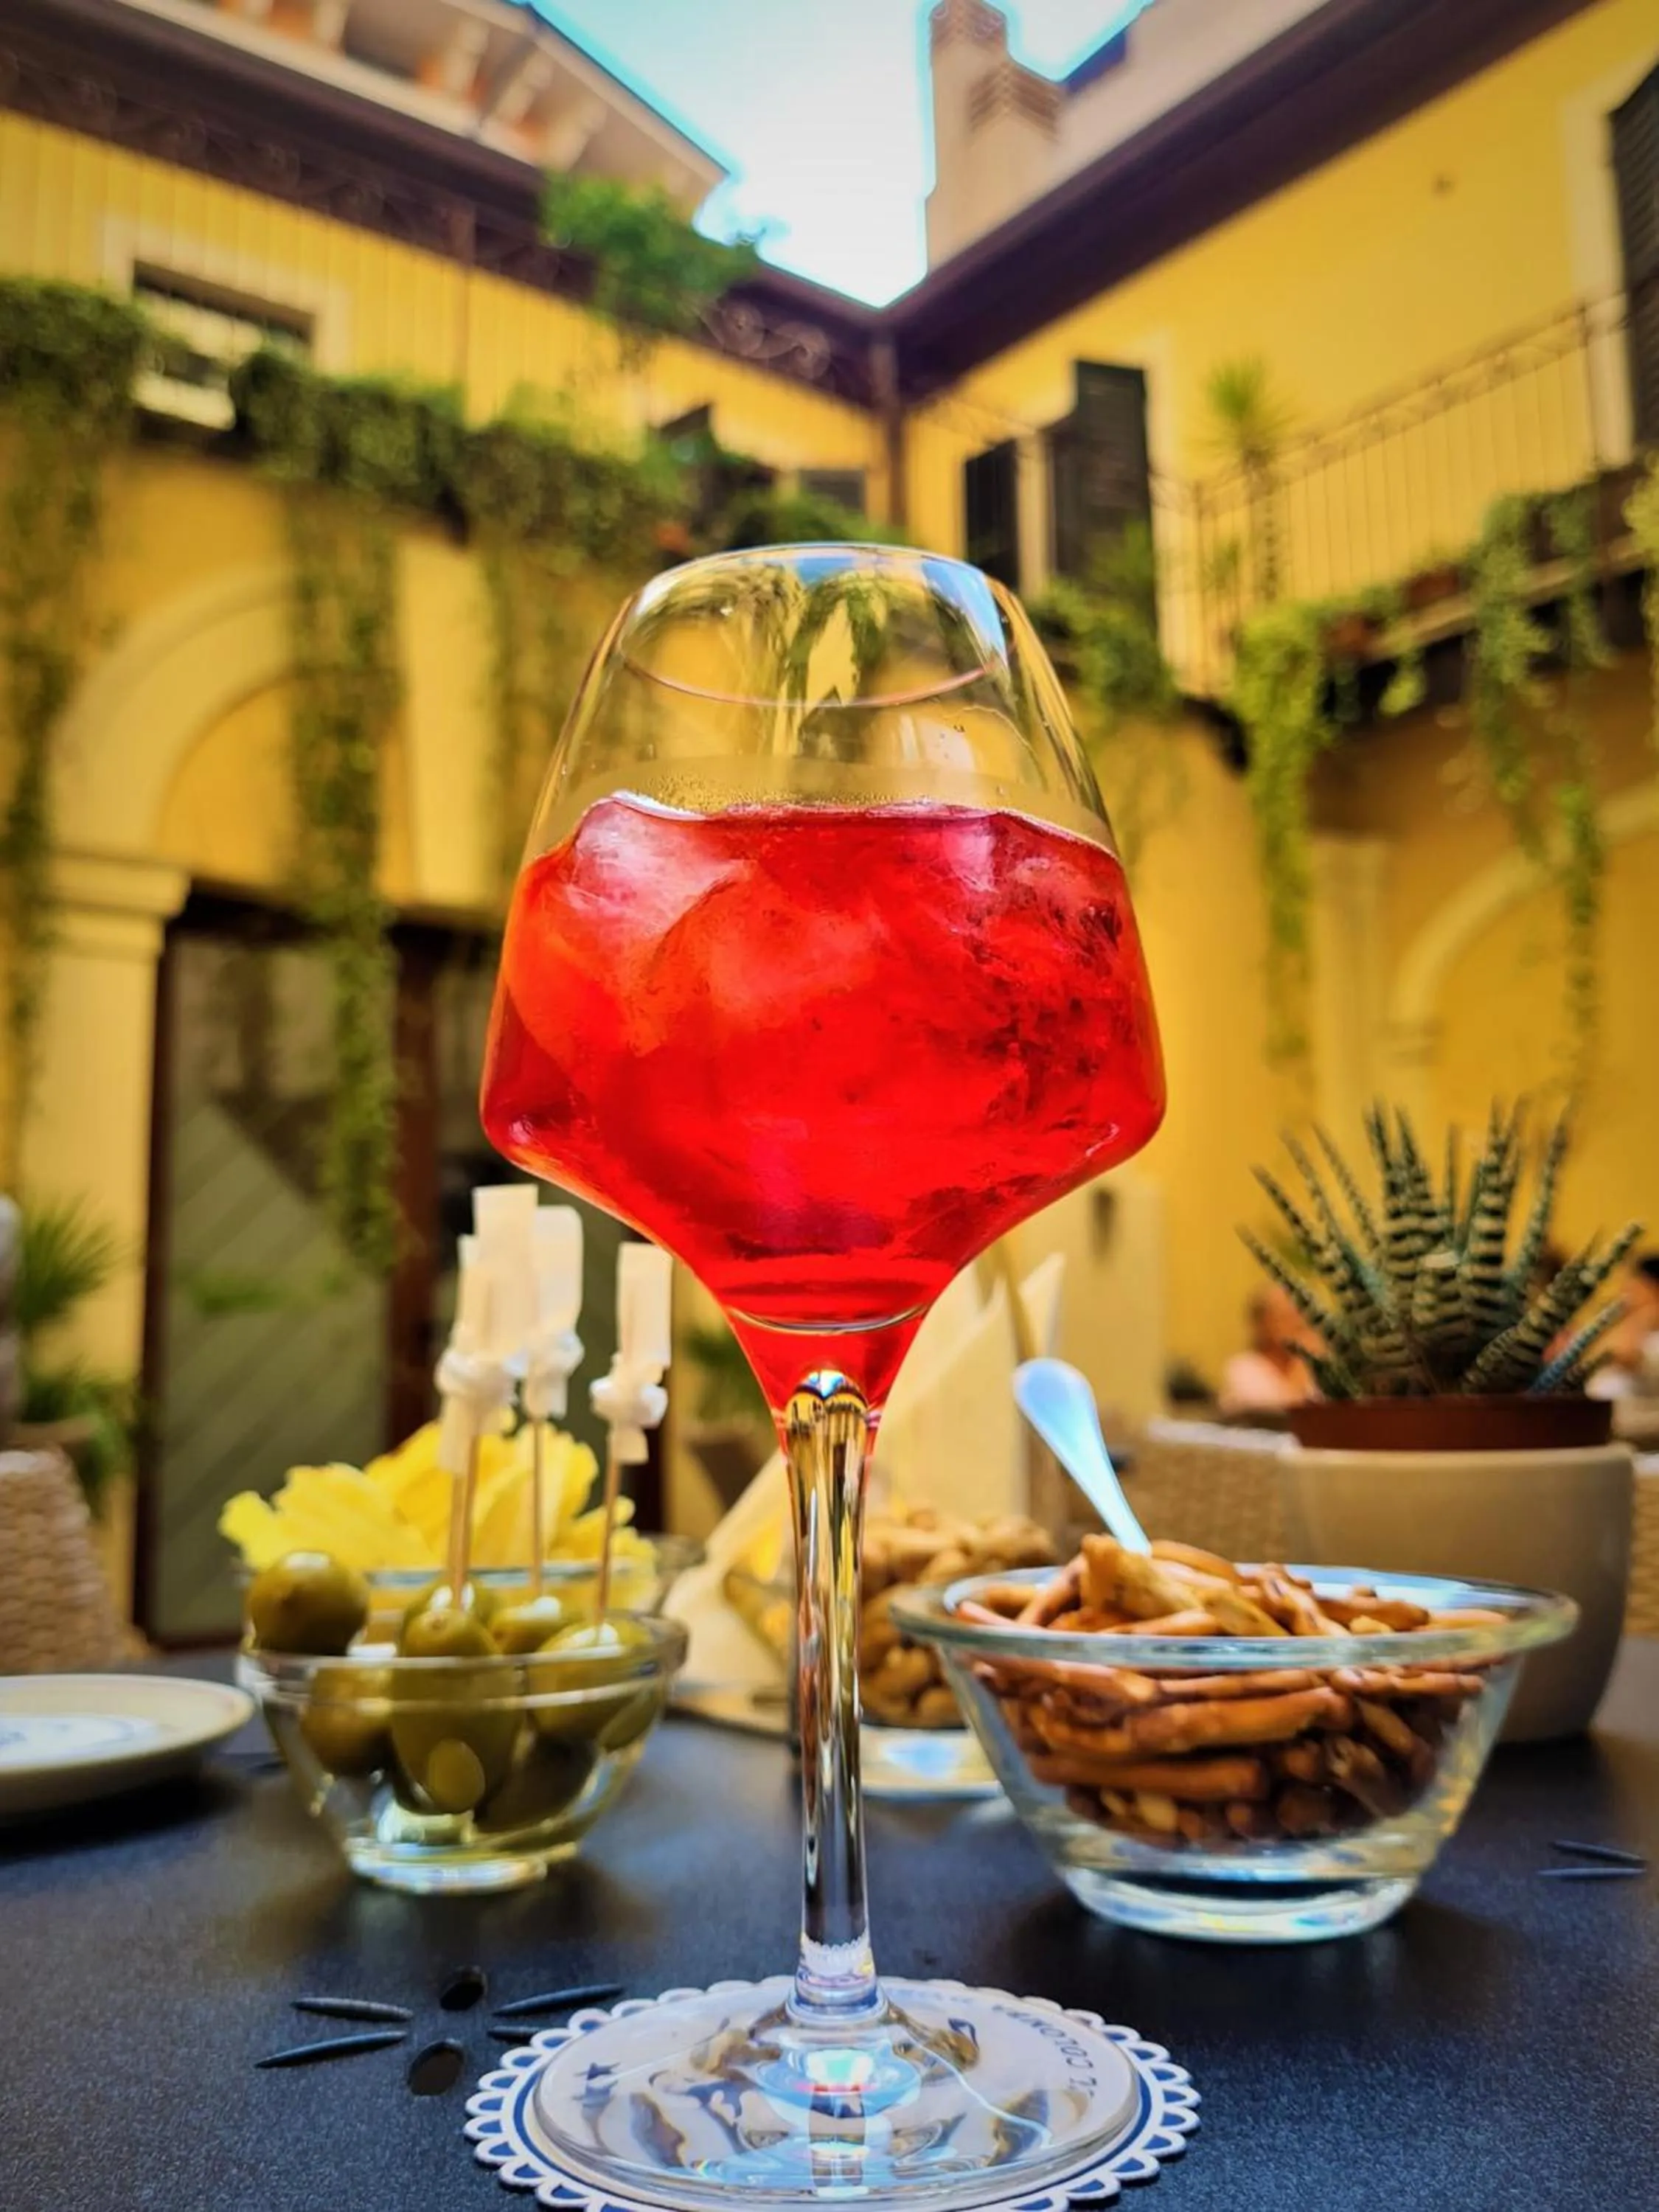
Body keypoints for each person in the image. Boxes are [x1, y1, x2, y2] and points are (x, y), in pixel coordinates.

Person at [1219, 1283, 1321, 1416]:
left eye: (1299, 1317)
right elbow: (1280, 1415)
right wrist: (1300, 1364)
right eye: (1285, 1318)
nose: (1296, 1325)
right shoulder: (1243, 1369)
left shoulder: (1318, 1371)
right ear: (1262, 1324)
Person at [1587, 1253, 1659, 1399]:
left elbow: (1624, 1355)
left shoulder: (1649, 1339)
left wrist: (1644, 1316)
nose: (1625, 1291)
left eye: (1635, 1284)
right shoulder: (1632, 1330)